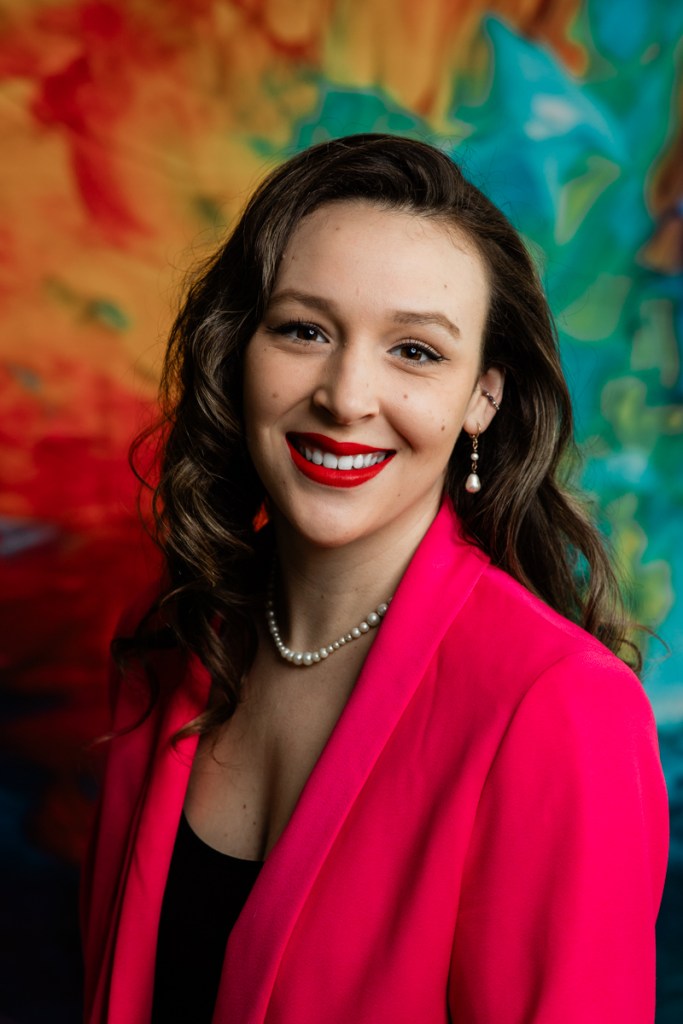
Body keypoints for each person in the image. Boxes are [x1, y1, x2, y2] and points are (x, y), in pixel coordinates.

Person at [80, 134, 669, 1024]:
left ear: (483, 397)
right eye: (303, 330)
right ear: (239, 351)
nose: (347, 395)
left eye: (417, 352)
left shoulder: (558, 706)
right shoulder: (172, 629)